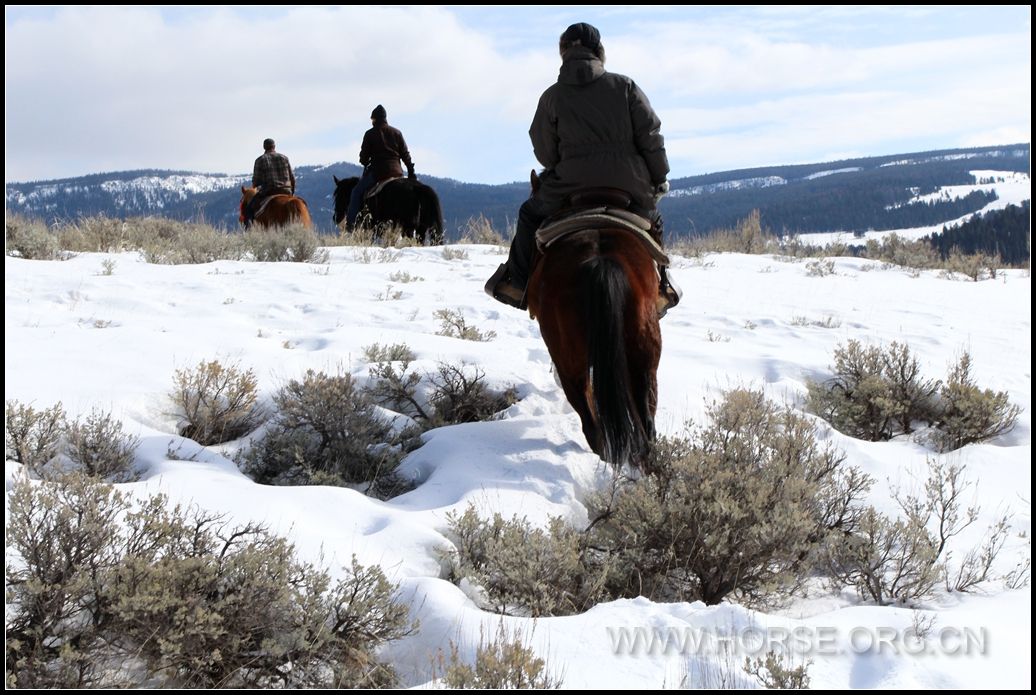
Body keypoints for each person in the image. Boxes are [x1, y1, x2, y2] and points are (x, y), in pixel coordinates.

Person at [486, 22, 675, 312]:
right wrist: (658, 175)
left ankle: (518, 283)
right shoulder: (626, 86)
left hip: (569, 184)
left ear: (563, 52)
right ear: (599, 51)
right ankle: (662, 286)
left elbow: (545, 152)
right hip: (628, 183)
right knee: (654, 221)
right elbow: (651, 136)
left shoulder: (552, 96)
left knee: (528, 214)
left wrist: (567, 163)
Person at [346, 104, 416, 229]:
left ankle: (350, 226)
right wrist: (411, 171)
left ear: (374, 119)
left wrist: (364, 160)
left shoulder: (370, 134)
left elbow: (363, 158)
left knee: (356, 192)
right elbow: (405, 155)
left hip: (378, 173)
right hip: (398, 172)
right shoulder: (397, 133)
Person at [245, 138, 295, 227]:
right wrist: (292, 193)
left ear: (264, 147)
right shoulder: (284, 158)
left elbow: (255, 182)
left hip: (268, 191)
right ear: (274, 146)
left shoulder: (260, 160)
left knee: (248, 210)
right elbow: (292, 178)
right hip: (286, 191)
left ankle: (248, 229)